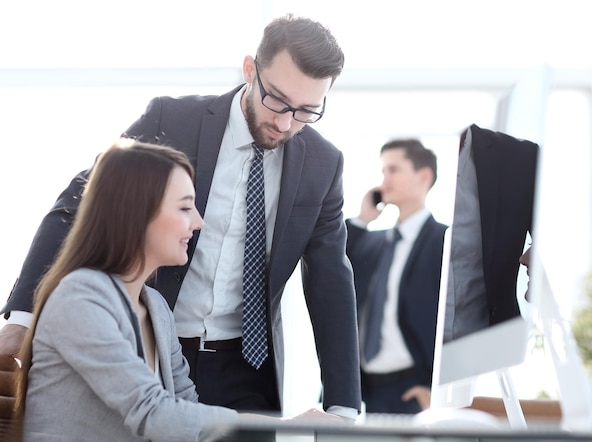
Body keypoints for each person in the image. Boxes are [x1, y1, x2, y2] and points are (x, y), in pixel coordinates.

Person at [0, 14, 360, 421]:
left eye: (305, 111)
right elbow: (83, 200)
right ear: (249, 70)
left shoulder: (323, 163)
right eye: (276, 100)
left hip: (249, 366)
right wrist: (24, 317)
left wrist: (343, 406)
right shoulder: (172, 121)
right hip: (154, 349)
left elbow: (331, 279)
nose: (284, 122)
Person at [12, 140, 239, 440]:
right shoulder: (80, 299)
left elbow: (184, 407)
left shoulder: (156, 307)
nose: (198, 222)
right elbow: (152, 411)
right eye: (185, 207)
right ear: (136, 213)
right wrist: (283, 426)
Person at [345, 139, 447, 414]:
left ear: (423, 176)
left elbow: (457, 317)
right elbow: (333, 265)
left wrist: (434, 388)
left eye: (393, 170)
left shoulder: (445, 241)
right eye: (382, 172)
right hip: (368, 392)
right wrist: (363, 219)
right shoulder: (372, 242)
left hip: (415, 390)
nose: (384, 180)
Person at [444, 123, 538, 342]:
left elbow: (557, 249)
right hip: (414, 361)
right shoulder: (396, 157)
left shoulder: (520, 158)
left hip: (493, 350)